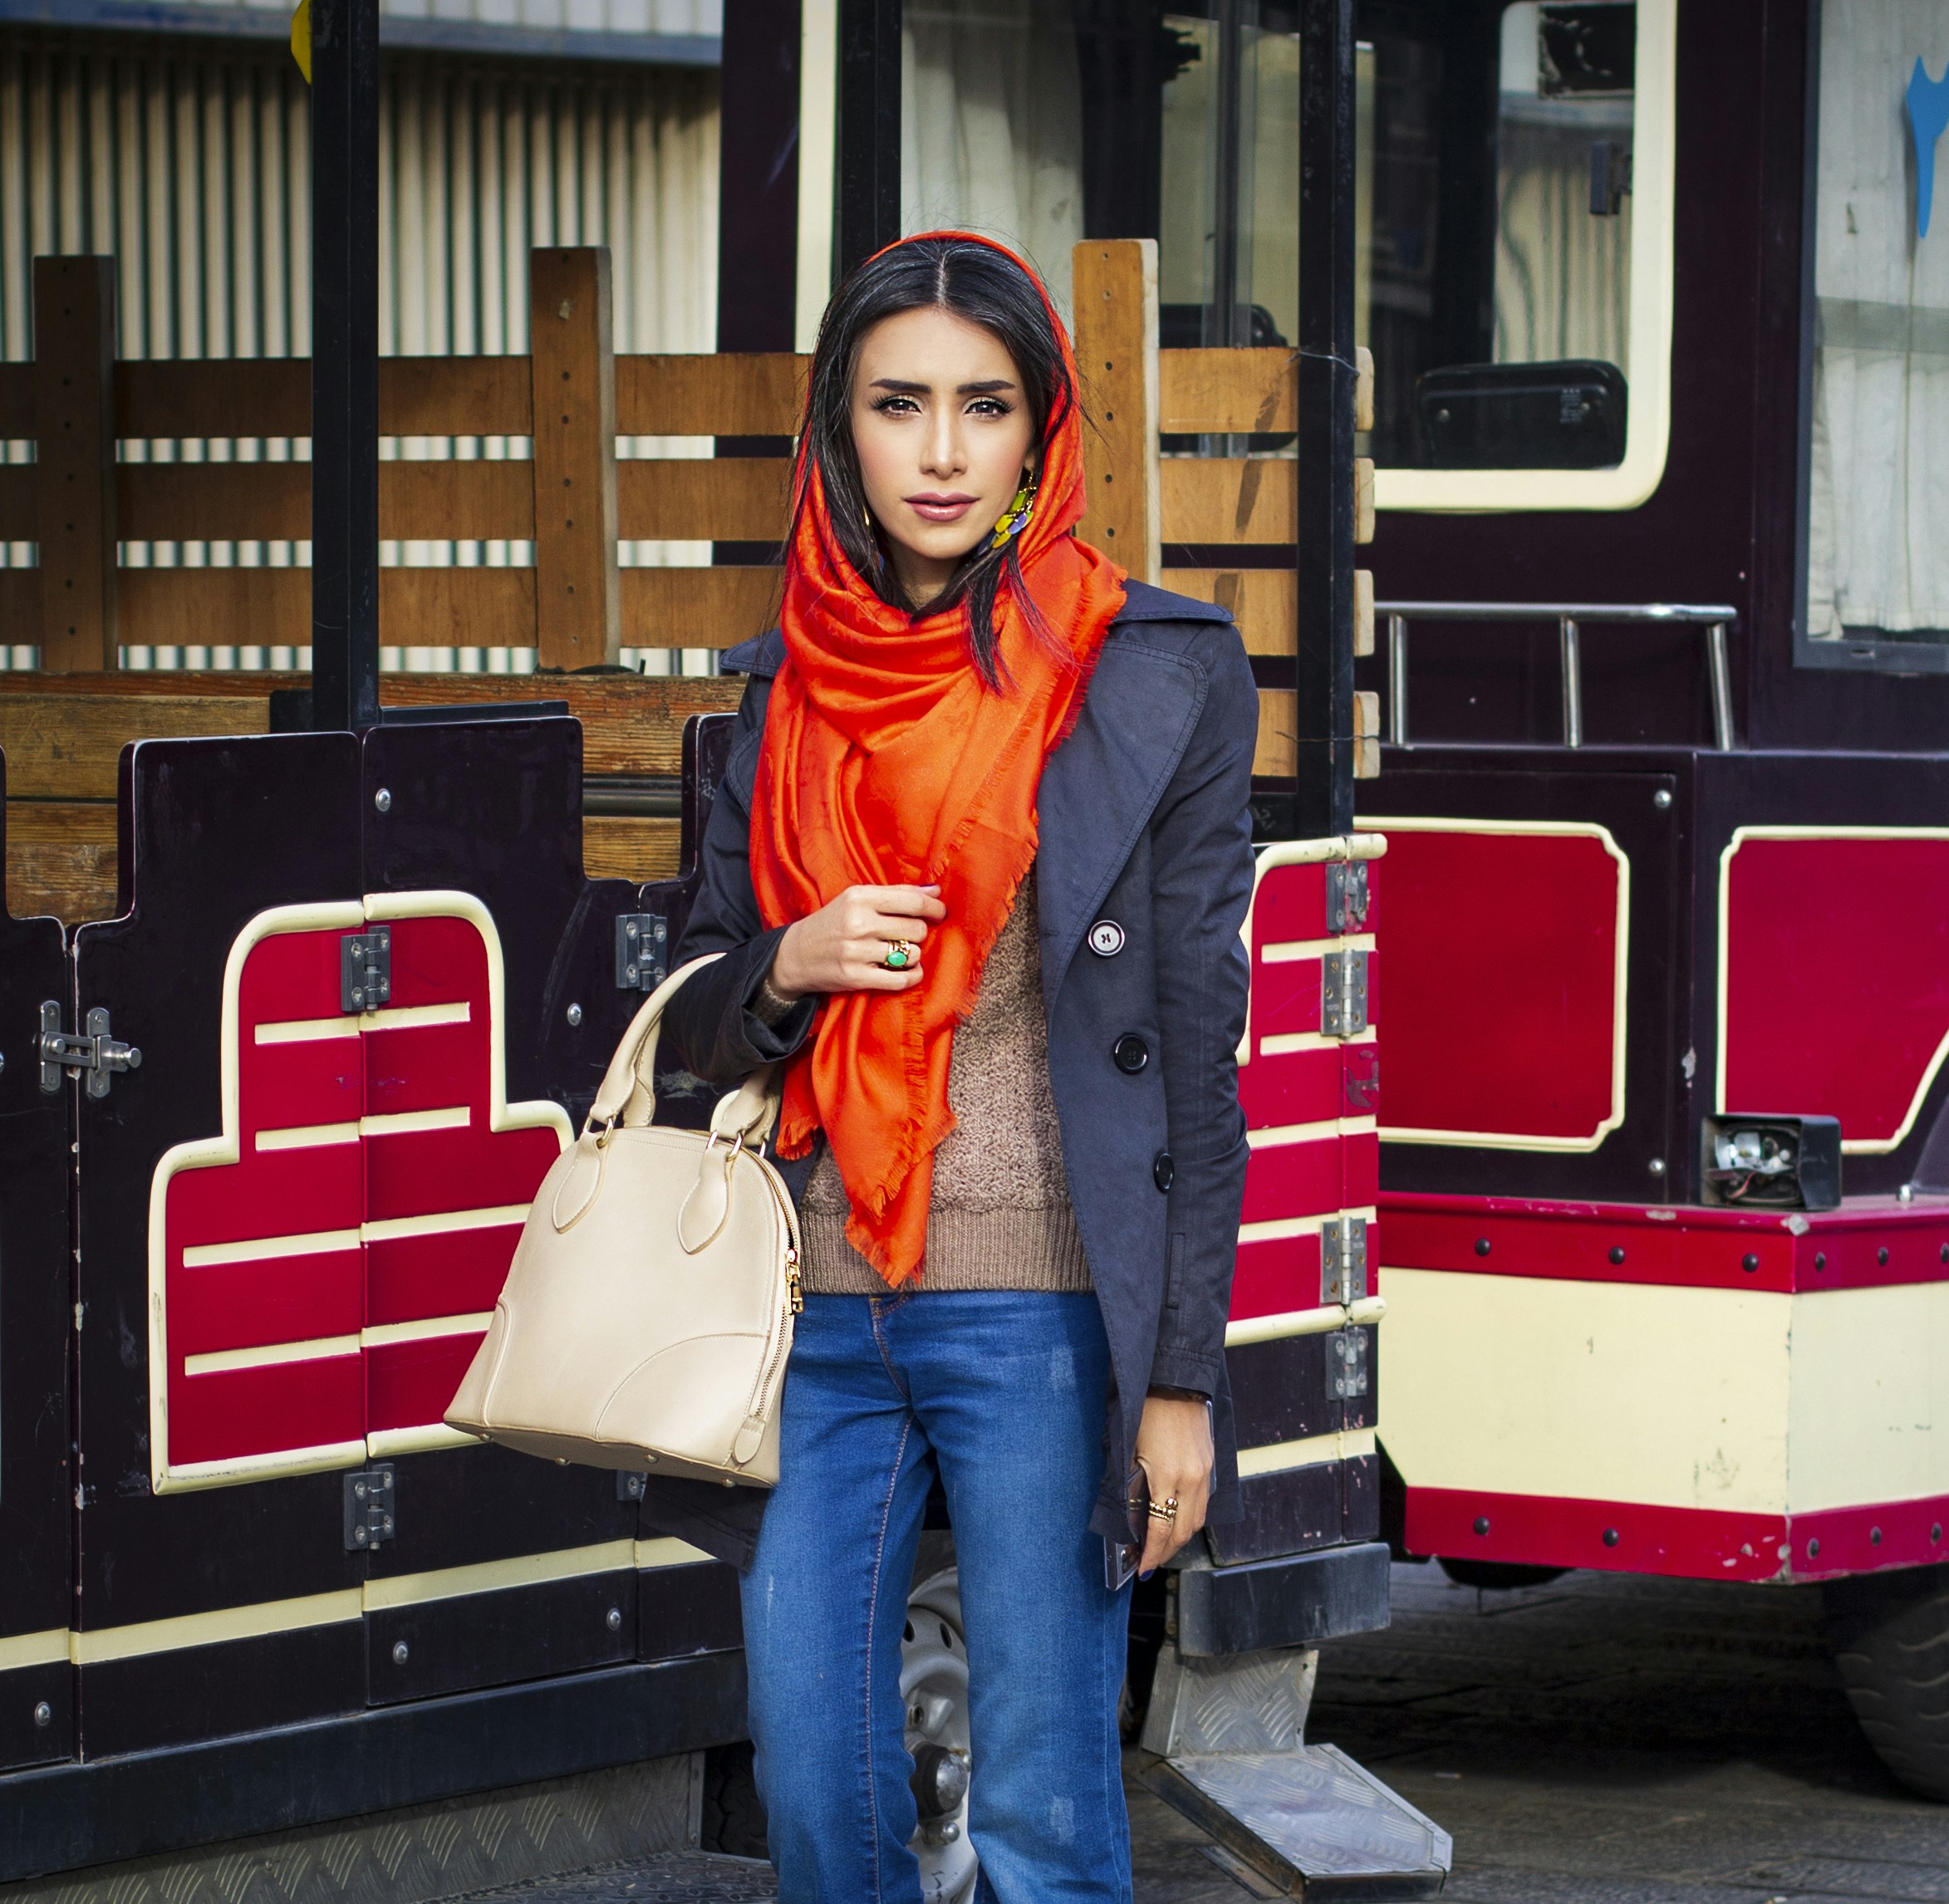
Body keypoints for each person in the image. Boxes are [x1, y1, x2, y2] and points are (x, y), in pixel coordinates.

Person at [646, 231, 1257, 1901]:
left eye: (981, 406)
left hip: (1046, 1311)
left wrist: (1182, 1385)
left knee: (1049, 1801)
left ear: (1041, 430)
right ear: (837, 433)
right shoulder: (779, 688)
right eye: (895, 404)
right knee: (816, 1788)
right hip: (811, 1307)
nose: (936, 451)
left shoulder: (1159, 674)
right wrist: (787, 960)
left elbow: (1200, 1050)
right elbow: (679, 1007)